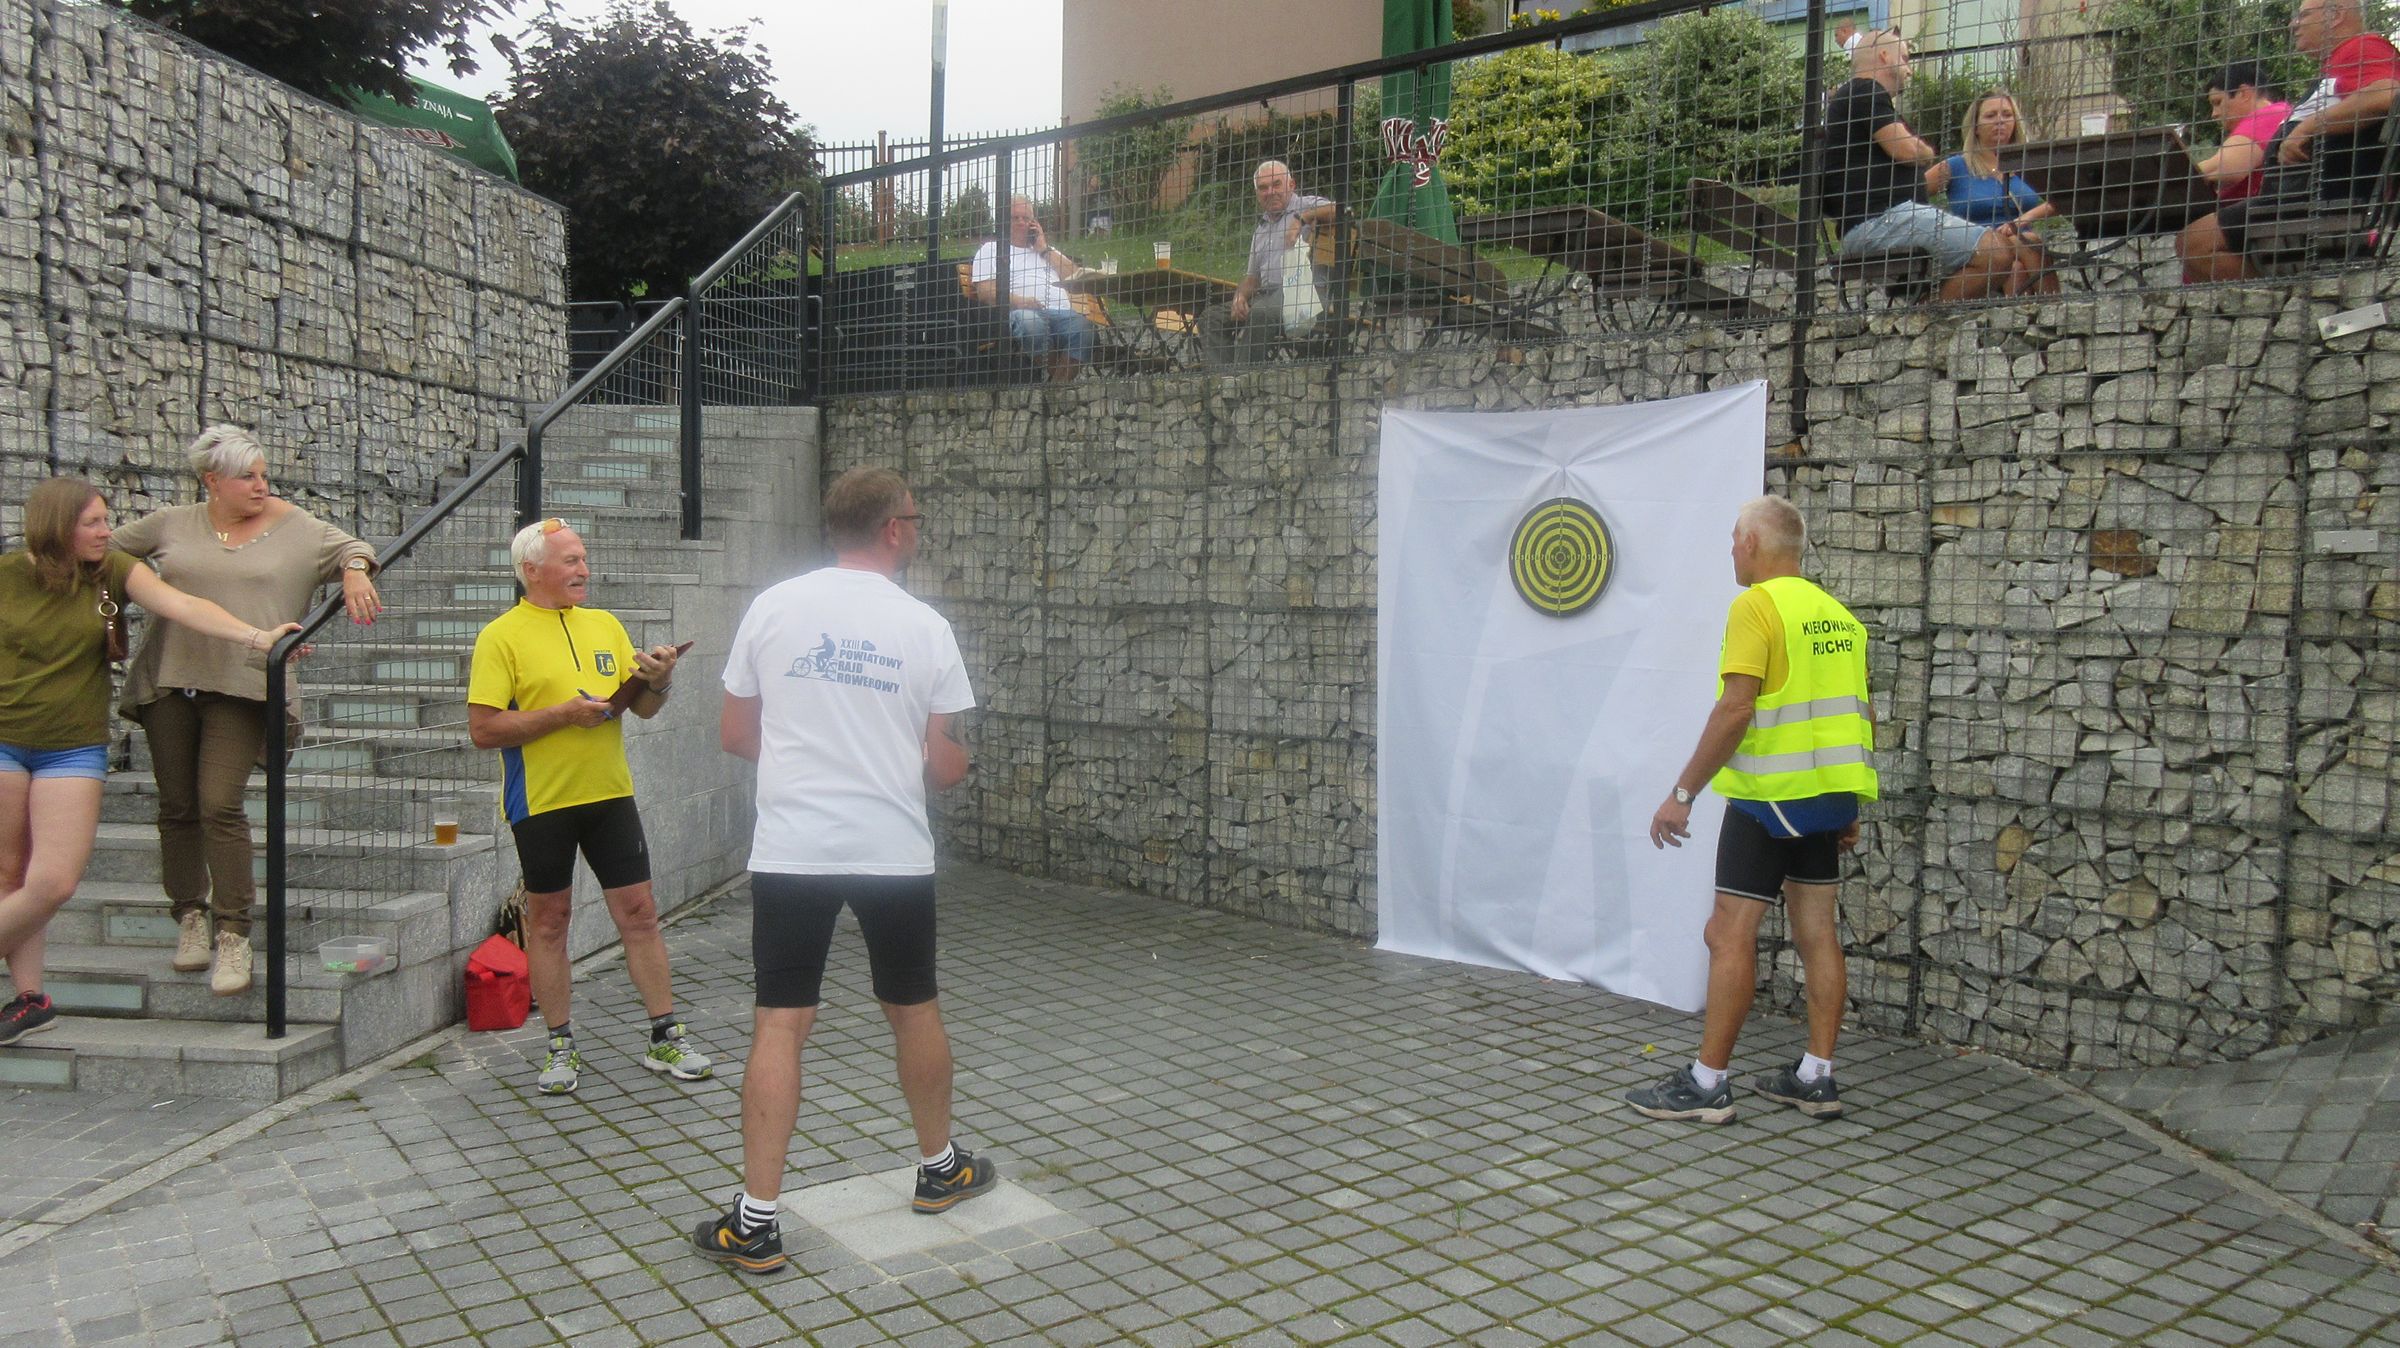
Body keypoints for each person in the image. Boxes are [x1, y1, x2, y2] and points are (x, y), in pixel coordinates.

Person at [694, 467, 987, 1274]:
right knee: (913, 1009)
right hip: (893, 849)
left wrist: (809, 756)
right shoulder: (926, 627)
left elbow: (735, 734)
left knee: (780, 1023)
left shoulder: (773, 607)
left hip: (795, 848)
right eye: (914, 518)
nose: (916, 530)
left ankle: (757, 1223)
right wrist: (934, 758)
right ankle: (939, 1169)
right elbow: (943, 766)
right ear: (893, 529)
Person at [0, 478, 299, 1045]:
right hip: (4, 740)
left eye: (106, 519)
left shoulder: (112, 571)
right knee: (9, 875)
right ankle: (30, 999)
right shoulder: (8, 574)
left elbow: (183, 605)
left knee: (52, 882)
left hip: (72, 746)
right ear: (57, 526)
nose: (107, 531)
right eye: (92, 522)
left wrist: (257, 638)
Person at [1625, 496, 1879, 1124]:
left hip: (1767, 800)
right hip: (1824, 800)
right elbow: (1861, 715)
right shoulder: (1839, 616)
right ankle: (1816, 1077)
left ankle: (1708, 1084)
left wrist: (1682, 794)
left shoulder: (1756, 606)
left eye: (1734, 540)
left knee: (1727, 933)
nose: (1731, 552)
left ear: (1753, 543)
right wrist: (1847, 805)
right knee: (1818, 934)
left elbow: (1736, 707)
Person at [111, 425, 383, 997]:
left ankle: (234, 932)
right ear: (212, 481)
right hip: (170, 678)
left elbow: (353, 548)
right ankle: (190, 916)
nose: (262, 486)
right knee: (177, 806)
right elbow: (107, 554)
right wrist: (112, 603)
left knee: (219, 803)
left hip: (246, 684)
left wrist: (355, 570)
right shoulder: (171, 523)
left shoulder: (297, 526)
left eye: (264, 474)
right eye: (247, 477)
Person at [466, 517, 710, 1095]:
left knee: (641, 913)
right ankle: (560, 1045)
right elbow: (483, 730)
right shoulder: (500, 636)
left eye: (583, 558)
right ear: (532, 570)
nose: (585, 569)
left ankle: (665, 1035)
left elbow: (639, 708)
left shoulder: (604, 624)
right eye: (571, 560)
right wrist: (562, 715)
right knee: (550, 922)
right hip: (542, 800)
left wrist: (659, 680)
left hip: (610, 794)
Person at [2180, 0, 2400, 282]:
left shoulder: (2362, 47)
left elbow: (2388, 94)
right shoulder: (2338, 65)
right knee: (2195, 243)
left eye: (2303, 15)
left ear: (2335, 15)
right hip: (2304, 202)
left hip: (2318, 204)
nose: (2293, 23)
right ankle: (2284, 294)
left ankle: (2280, 295)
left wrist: (2308, 127)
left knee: (2196, 243)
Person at [1819, 31, 2042, 302]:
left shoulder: (1861, 98)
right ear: (1884, 56)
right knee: (1996, 252)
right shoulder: (1865, 90)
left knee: (2003, 254)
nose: (1909, 70)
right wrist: (1926, 151)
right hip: (1880, 221)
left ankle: (1927, 311)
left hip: (1884, 223)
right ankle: (1926, 315)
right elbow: (1908, 150)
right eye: (1905, 58)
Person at [1199, 160, 1341, 366]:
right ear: (1257, 194)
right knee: (1211, 318)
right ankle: (1224, 378)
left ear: (1291, 185)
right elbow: (1252, 278)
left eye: (1276, 184)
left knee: (1260, 313)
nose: (1270, 192)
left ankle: (1242, 377)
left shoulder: (1305, 205)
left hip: (1306, 296)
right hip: (1266, 295)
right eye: (1263, 188)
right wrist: (1240, 296)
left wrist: (1302, 218)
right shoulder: (1261, 229)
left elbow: (1343, 210)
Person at [1923, 89, 2060, 295]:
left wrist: (2024, 218)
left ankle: (2024, 314)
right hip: (1976, 248)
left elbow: (2063, 198)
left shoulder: (2029, 164)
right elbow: (1908, 195)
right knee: (2029, 242)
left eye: (2007, 114)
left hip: (2018, 247)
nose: (2000, 121)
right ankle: (2056, 305)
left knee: (2016, 268)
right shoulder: (1955, 166)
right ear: (1976, 127)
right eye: (1990, 115)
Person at [970, 196, 1093, 382]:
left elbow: (1076, 278)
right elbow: (985, 292)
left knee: (1085, 328)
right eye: (1015, 217)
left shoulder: (1047, 250)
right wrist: (1019, 301)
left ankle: (1055, 387)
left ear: (1034, 223)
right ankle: (1060, 385)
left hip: (1062, 314)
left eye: (1026, 218)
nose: (1021, 222)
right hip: (1023, 313)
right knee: (1030, 323)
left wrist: (1043, 249)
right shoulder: (991, 249)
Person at [2196, 61, 2293, 204]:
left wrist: (2165, 177)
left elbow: (2224, 167)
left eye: (2218, 102)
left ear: (2244, 93)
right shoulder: (2279, 114)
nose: (2214, 114)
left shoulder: (2269, 115)